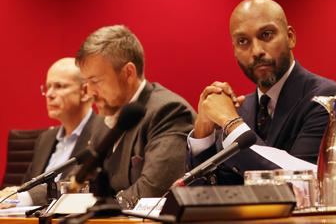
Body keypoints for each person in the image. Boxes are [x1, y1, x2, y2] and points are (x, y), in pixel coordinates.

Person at [188, 0, 336, 184]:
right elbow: (203, 197)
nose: (256, 51)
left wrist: (231, 122)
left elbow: (303, 184)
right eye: (243, 41)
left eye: (266, 35)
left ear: (290, 37)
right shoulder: (243, 108)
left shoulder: (325, 98)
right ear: (234, 50)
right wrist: (203, 132)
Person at [75, 25, 195, 208]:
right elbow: (80, 181)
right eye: (86, 82)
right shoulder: (102, 119)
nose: (90, 92)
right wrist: (26, 196)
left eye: (95, 81)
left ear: (128, 73)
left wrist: (94, 210)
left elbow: (154, 191)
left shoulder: (168, 111)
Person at [0, 58, 99, 207]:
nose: (49, 94)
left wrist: (28, 197)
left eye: (59, 86)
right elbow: (26, 187)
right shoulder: (45, 139)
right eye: (47, 87)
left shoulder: (102, 134)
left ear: (85, 91)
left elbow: (84, 188)